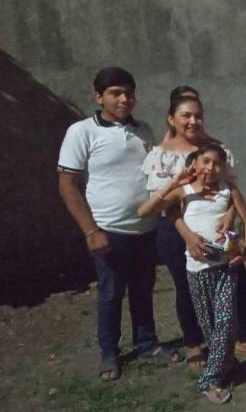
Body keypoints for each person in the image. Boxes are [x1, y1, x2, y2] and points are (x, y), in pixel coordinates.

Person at [57, 67, 181, 382]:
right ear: (99, 97)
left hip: (146, 229)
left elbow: (156, 174)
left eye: (128, 92)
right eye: (115, 93)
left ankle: (147, 344)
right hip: (108, 231)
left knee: (143, 289)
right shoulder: (81, 132)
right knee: (111, 293)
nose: (124, 99)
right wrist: (90, 230)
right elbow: (67, 185)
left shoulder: (144, 130)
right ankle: (109, 353)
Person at [142, 93, 246, 370]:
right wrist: (188, 237)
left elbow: (232, 191)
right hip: (176, 229)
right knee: (187, 286)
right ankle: (194, 342)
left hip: (217, 226)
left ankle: (239, 333)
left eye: (198, 115)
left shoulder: (216, 150)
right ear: (172, 119)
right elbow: (166, 208)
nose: (193, 121)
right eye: (185, 115)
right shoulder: (162, 156)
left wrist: (230, 216)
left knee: (237, 278)